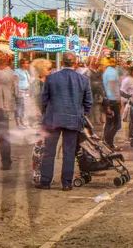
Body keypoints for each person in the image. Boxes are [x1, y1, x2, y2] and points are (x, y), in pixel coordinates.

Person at [38, 51, 92, 190]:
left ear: (61, 63)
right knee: (69, 152)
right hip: (73, 120)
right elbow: (88, 102)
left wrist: (45, 113)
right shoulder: (83, 80)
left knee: (49, 151)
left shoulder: (51, 78)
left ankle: (45, 182)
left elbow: (43, 99)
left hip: (53, 119)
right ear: (74, 63)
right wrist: (80, 113)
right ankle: (66, 184)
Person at [101, 57, 122, 149]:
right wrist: (118, 97)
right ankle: (108, 140)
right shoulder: (112, 72)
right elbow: (112, 85)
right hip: (113, 100)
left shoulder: (106, 72)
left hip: (107, 100)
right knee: (117, 124)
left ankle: (108, 144)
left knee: (109, 123)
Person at [15, 58, 31, 127]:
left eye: (28, 63)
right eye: (26, 63)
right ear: (22, 64)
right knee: (19, 106)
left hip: (26, 91)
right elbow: (15, 82)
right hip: (20, 90)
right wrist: (16, 91)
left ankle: (22, 121)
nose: (27, 65)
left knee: (23, 106)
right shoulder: (17, 71)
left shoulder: (26, 72)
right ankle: (18, 123)